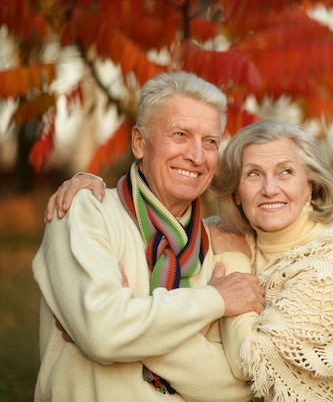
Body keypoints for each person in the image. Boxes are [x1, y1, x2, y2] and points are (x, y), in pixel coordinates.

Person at [46, 120, 333, 401]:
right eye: (253, 174)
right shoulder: (217, 235)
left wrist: (119, 330)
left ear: (310, 184)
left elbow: (250, 364)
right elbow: (144, 228)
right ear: (235, 191)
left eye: (286, 172)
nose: (269, 188)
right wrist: (94, 191)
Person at [33, 71, 264, 402]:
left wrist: (130, 324)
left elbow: (236, 387)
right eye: (180, 134)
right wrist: (213, 301)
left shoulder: (219, 246)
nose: (197, 156)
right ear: (139, 142)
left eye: (210, 141)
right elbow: (103, 334)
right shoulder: (86, 212)